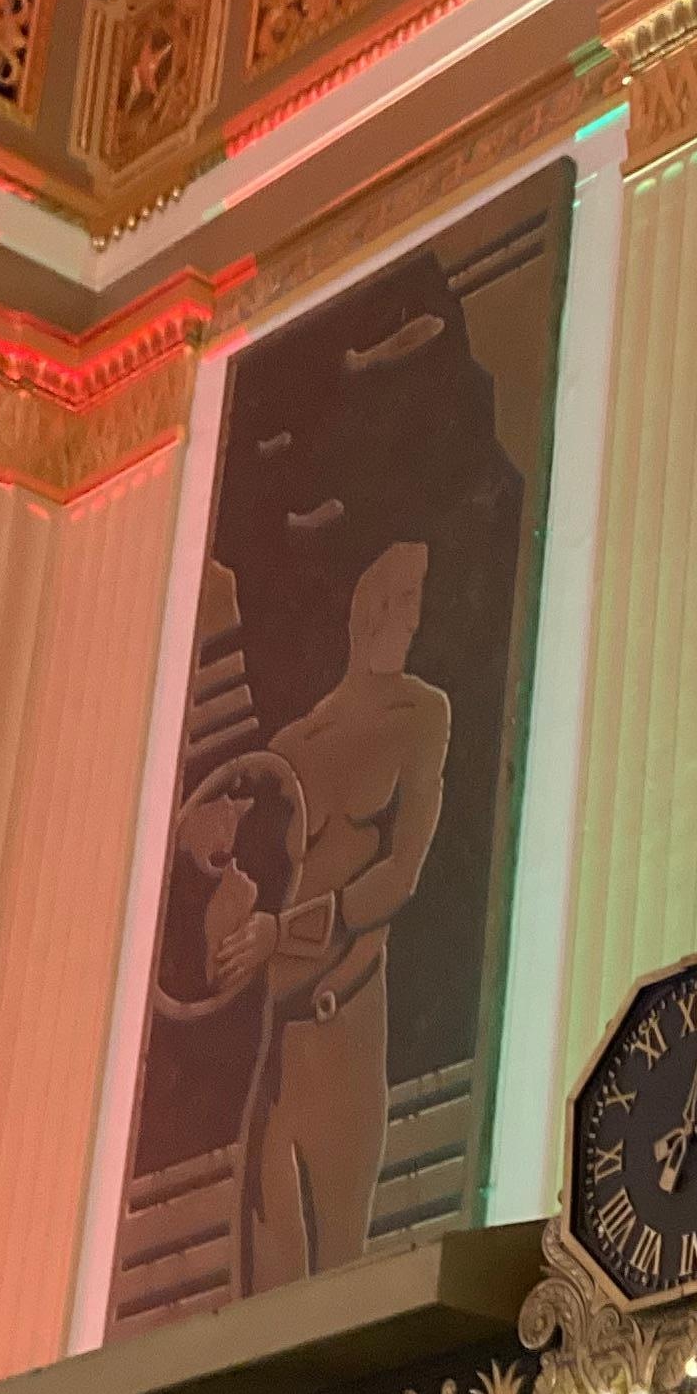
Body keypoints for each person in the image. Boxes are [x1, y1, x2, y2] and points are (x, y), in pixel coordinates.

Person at [231, 541, 450, 1288]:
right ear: (367, 605)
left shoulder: (421, 714)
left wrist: (291, 930)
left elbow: (402, 873)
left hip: (349, 1016)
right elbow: (253, 886)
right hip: (279, 1039)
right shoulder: (293, 744)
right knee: (266, 1289)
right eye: (403, 597)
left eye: (419, 600)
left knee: (338, 1270)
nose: (411, 618)